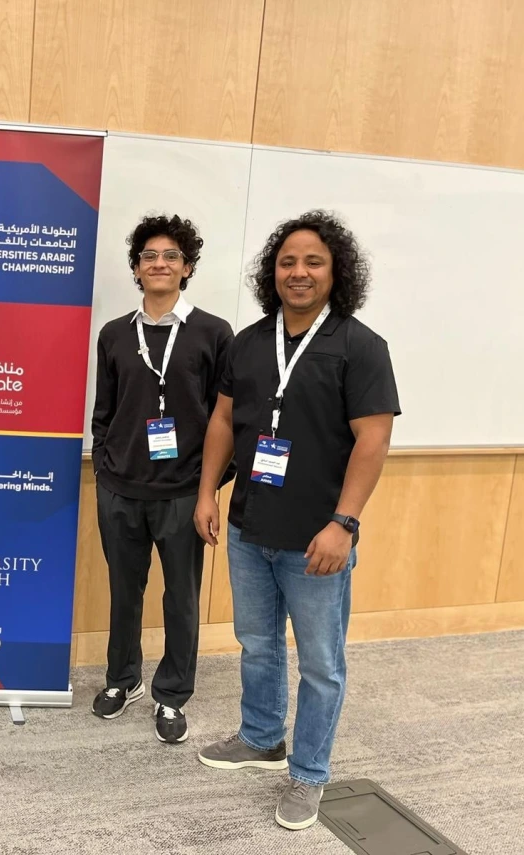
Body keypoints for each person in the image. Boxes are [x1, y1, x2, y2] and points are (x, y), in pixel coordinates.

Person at [194, 211, 399, 830]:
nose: (299, 272)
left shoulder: (359, 346)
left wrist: (345, 523)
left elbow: (374, 439)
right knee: (256, 644)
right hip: (250, 528)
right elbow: (225, 422)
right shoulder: (251, 342)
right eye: (287, 262)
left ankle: (308, 774)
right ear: (272, 272)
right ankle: (261, 737)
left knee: (320, 663)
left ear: (337, 272)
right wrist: (208, 493)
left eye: (313, 262)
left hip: (318, 539)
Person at [89, 215, 234, 743]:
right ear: (136, 269)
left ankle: (172, 694)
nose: (160, 263)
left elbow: (229, 416)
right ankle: (122, 679)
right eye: (149, 256)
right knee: (124, 591)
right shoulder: (113, 334)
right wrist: (106, 470)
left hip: (183, 493)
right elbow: (103, 413)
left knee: (182, 599)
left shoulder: (214, 333)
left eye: (171, 256)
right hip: (121, 489)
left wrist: (209, 487)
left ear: (187, 267)